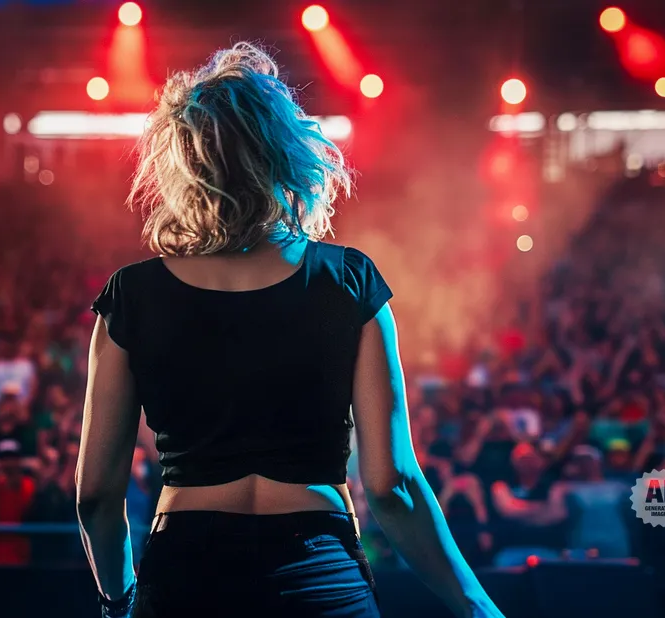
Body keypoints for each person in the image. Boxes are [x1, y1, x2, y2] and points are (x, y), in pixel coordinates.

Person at [75, 43, 503, 618]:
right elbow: (391, 484)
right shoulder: (348, 280)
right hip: (318, 574)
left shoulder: (131, 295)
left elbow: (97, 495)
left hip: (184, 575)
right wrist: (474, 605)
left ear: (182, 165)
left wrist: (117, 597)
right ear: (287, 154)